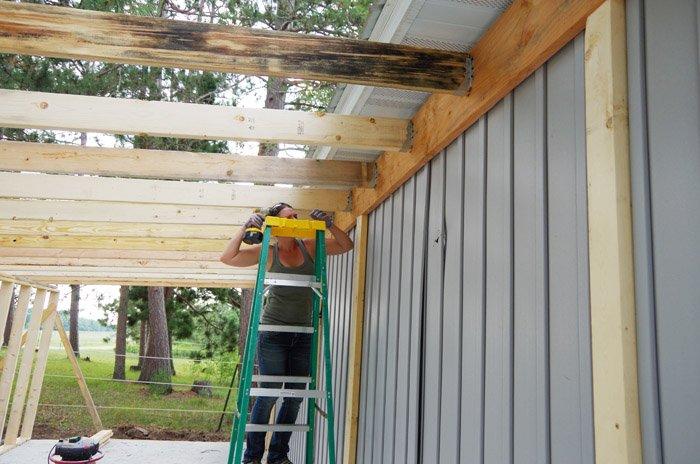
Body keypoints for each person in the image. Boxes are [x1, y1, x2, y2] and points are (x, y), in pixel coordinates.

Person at [220, 202, 353, 464]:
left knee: (294, 397)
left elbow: (346, 245)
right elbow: (227, 258)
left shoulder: (311, 246)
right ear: (277, 224)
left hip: (303, 334)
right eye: (289, 216)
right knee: (268, 393)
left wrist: (329, 224)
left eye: (296, 215)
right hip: (274, 334)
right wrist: (246, 226)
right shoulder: (268, 252)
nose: (295, 218)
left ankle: (278, 456)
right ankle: (252, 457)